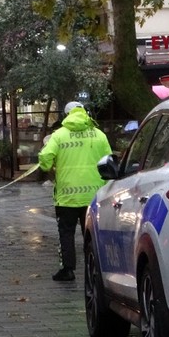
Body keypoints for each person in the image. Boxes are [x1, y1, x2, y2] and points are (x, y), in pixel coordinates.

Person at [38, 101, 111, 282]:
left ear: (66, 115)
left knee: (66, 233)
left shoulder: (59, 135)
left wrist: (49, 167)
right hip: (94, 196)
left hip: (67, 196)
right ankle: (95, 268)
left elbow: (45, 158)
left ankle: (68, 270)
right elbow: (109, 162)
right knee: (93, 234)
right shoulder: (99, 135)